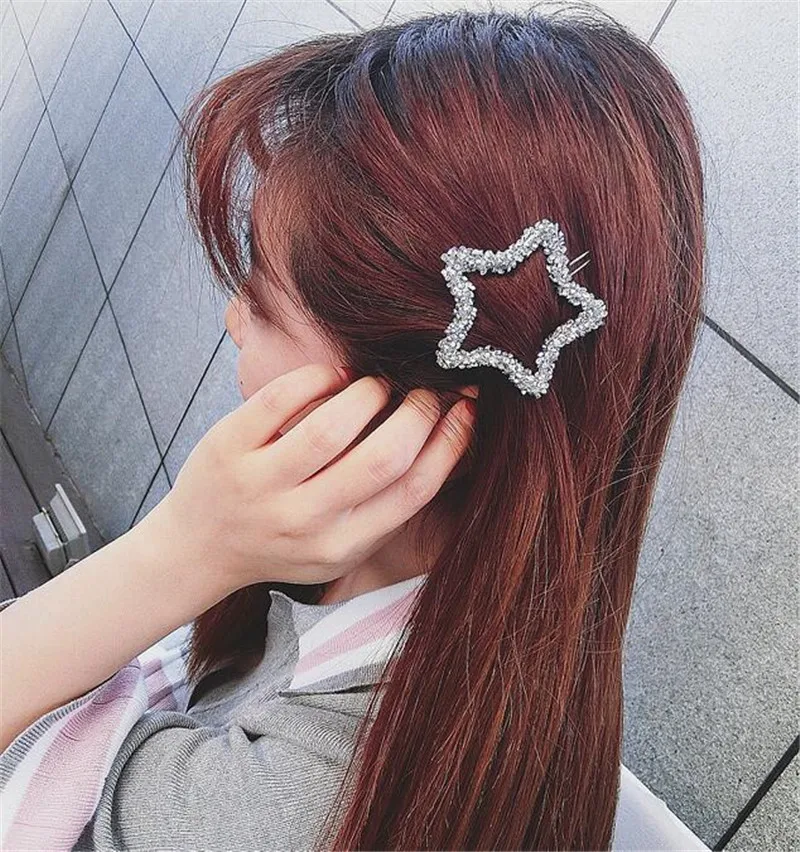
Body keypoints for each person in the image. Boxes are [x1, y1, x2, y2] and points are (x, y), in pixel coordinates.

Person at [0, 3, 711, 850]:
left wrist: (179, 553)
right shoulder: (377, 584)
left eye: (264, 301)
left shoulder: (281, 809)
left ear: (418, 411)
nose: (232, 319)